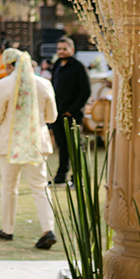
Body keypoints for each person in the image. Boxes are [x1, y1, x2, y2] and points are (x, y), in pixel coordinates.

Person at [0, 48, 58, 250]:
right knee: (40, 187)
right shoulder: (44, 83)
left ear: (9, 66)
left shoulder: (3, 85)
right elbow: (51, 117)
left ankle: (7, 229)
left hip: (11, 142)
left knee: (9, 187)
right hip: (37, 141)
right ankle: (48, 229)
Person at [49, 36, 91, 186]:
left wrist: (72, 110)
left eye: (64, 49)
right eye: (59, 49)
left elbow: (85, 91)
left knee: (75, 147)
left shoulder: (79, 67)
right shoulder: (57, 66)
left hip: (72, 114)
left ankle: (78, 179)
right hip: (57, 113)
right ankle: (60, 177)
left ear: (72, 50)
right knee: (62, 146)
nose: (61, 52)